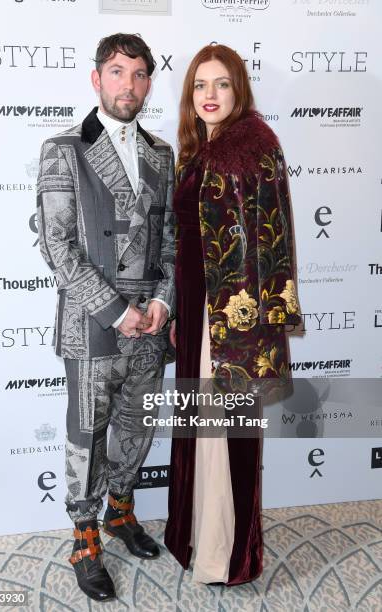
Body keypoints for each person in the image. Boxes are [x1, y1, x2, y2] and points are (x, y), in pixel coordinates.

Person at [37, 33, 175, 602]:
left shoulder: (161, 155)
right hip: (95, 321)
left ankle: (121, 511)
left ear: (149, 82)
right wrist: (118, 311)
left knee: (137, 427)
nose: (129, 84)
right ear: (97, 78)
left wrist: (162, 303)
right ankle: (84, 535)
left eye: (140, 74)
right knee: (86, 435)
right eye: (118, 72)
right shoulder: (64, 148)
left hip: (151, 324)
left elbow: (172, 244)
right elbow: (57, 246)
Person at [165, 44, 301, 585]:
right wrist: (181, 312)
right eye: (200, 85)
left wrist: (263, 324)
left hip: (235, 323)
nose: (210, 95)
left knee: (227, 434)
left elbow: (278, 238)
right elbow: (190, 244)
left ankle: (229, 555)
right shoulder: (197, 150)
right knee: (204, 432)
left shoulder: (254, 148)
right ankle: (202, 536)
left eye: (221, 84)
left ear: (239, 89)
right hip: (199, 313)